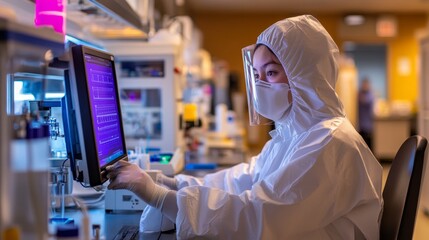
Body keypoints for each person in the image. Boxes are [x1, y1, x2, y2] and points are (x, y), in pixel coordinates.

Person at [106, 15, 383, 239]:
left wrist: (158, 196)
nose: (261, 83)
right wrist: (173, 184)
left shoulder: (331, 144)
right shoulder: (294, 134)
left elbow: (258, 214)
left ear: (306, 77)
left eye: (271, 72)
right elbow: (244, 180)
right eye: (257, 75)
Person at [358, 78, 375, 150]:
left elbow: (365, 101)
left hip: (368, 125)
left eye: (366, 85)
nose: (364, 86)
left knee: (368, 145)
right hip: (361, 125)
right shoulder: (360, 94)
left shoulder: (370, 95)